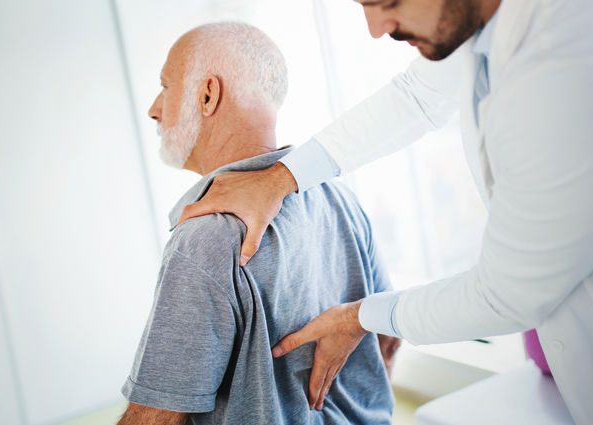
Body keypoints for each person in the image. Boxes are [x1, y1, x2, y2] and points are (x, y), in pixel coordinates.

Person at [177, 1, 593, 424]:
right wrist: (281, 177)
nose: (376, 27)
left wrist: (362, 317)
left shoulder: (574, 60)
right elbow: (416, 96)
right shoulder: (491, 24)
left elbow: (506, 295)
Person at [118, 22, 401, 425]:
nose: (154, 108)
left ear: (207, 94)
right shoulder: (340, 199)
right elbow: (388, 339)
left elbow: (156, 418)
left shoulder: (205, 237)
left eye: (166, 85)